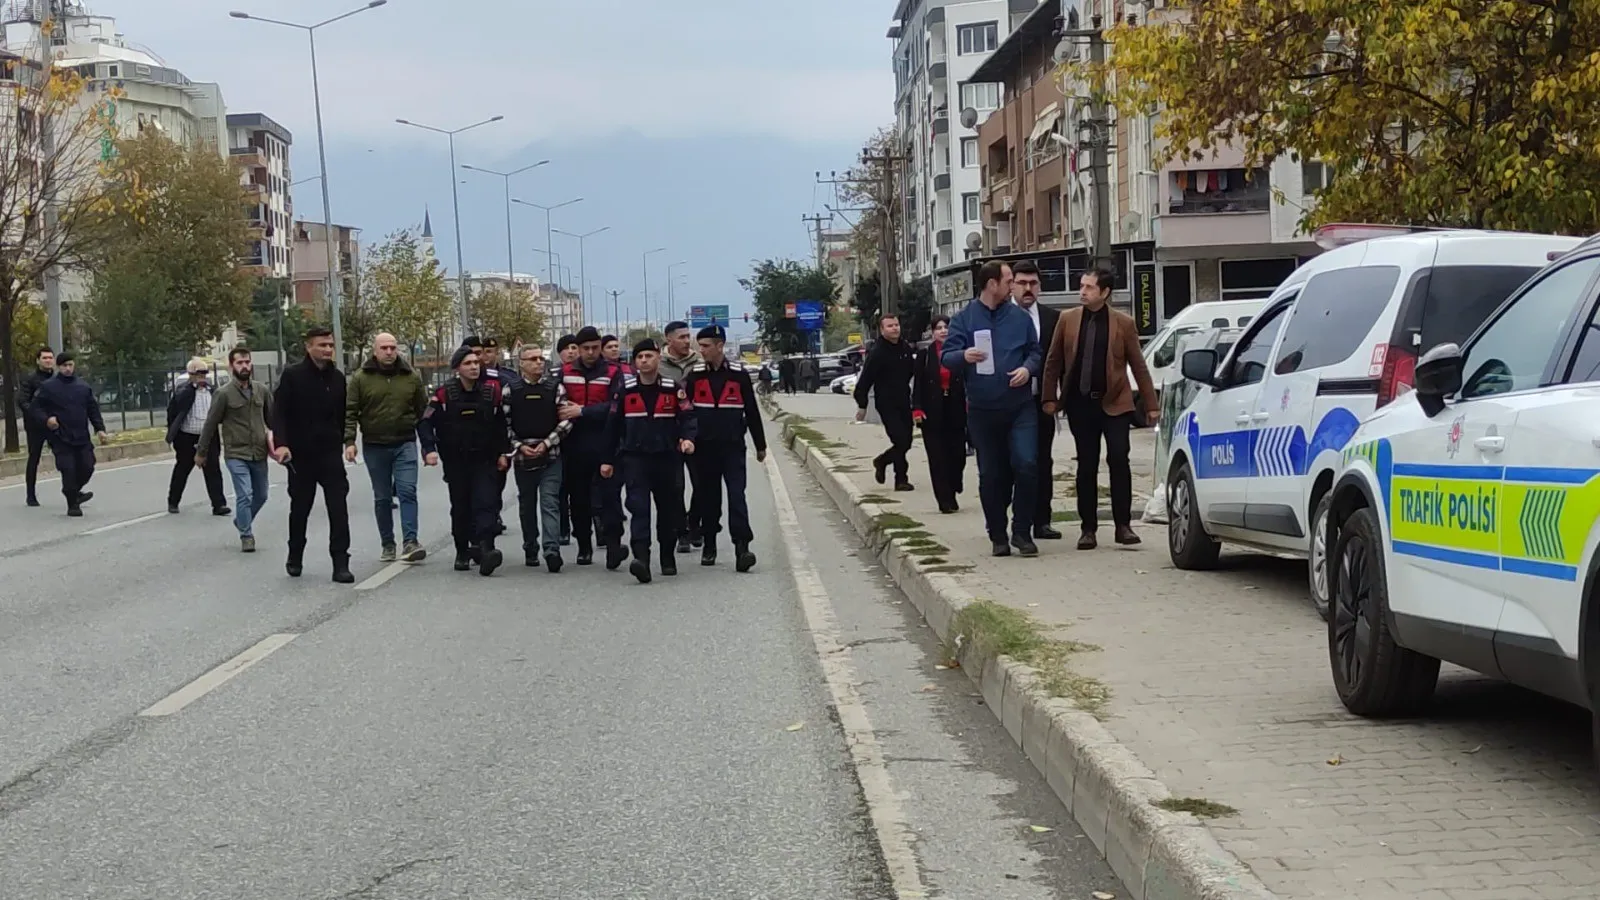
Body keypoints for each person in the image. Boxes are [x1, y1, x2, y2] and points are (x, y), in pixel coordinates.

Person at [1043, 265, 1160, 550]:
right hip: (1081, 404)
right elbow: (1053, 360)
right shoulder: (1068, 319)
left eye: (1089, 287)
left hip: (1116, 403)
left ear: (1105, 292)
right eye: (1081, 286)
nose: (1082, 291)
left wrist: (1152, 405)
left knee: (1119, 458)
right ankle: (1088, 529)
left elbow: (1139, 365)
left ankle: (1123, 525)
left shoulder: (1124, 323)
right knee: (1087, 465)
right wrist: (1049, 397)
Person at [941, 260, 1042, 558]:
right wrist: (964, 355)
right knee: (991, 473)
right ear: (991, 284)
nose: (1015, 286)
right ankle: (997, 533)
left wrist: (1027, 369)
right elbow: (946, 357)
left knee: (1027, 464)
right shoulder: (964, 319)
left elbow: (1035, 352)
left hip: (1019, 407)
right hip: (983, 410)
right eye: (1009, 281)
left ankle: (1022, 531)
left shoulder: (1020, 318)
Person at [601, 339, 697, 584]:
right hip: (636, 459)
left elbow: (687, 416)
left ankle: (667, 557)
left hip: (667, 459)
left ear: (658, 358)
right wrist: (607, 460)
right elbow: (612, 427)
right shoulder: (625, 390)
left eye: (649, 356)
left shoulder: (672, 388)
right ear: (635, 361)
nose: (644, 360)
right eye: (640, 356)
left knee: (668, 510)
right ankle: (641, 559)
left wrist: (687, 439)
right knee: (638, 509)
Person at [419, 345, 510, 575]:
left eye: (476, 363)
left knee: (486, 503)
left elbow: (501, 426)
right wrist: (429, 449)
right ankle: (462, 551)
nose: (473, 367)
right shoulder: (444, 394)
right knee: (461, 507)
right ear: (457, 368)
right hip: (456, 460)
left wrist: (503, 453)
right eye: (468, 363)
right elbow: (425, 422)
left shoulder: (492, 392)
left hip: (485, 459)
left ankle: (487, 549)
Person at [272, 326, 353, 583]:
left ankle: (341, 562)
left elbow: (343, 415)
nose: (328, 349)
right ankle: (295, 555)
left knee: (338, 508)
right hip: (301, 455)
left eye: (330, 345)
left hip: (329, 453)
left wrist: (345, 441)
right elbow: (279, 414)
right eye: (322, 345)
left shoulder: (338, 378)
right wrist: (282, 444)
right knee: (300, 508)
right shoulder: (292, 376)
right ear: (309, 347)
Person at [681, 324, 765, 571]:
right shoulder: (695, 375)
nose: (701, 350)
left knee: (737, 495)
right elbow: (686, 412)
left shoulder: (738, 374)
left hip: (732, 446)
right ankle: (709, 543)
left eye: (706, 346)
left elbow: (751, 410)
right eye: (700, 346)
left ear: (720, 346)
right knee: (709, 498)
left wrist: (760, 445)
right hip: (704, 449)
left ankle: (742, 547)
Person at [344, 332, 428, 563]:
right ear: (375, 351)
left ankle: (410, 541)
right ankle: (387, 543)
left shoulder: (411, 376)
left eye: (393, 348)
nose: (389, 352)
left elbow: (423, 412)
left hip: (405, 442)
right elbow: (350, 412)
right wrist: (349, 442)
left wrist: (428, 446)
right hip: (375, 445)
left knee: (407, 491)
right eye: (384, 348)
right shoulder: (361, 378)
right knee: (382, 497)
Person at [505, 342, 579, 571]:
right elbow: (503, 425)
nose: (539, 362)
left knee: (550, 502)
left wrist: (548, 443)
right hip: (523, 457)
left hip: (551, 454)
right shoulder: (511, 390)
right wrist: (518, 446)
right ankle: (530, 547)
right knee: (527, 505)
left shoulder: (554, 387)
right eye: (533, 359)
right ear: (522, 363)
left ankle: (551, 550)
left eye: (541, 358)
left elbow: (567, 419)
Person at [561, 325, 627, 568]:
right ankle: (584, 547)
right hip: (574, 444)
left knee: (609, 498)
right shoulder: (564, 372)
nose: (590, 352)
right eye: (585, 348)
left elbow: (616, 406)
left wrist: (583, 411)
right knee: (578, 498)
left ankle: (613, 546)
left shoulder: (613, 372)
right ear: (577, 349)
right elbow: (557, 402)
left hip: (606, 443)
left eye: (595, 348)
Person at [196, 347, 274, 552]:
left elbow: (272, 420)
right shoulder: (223, 394)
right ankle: (246, 535)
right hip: (236, 453)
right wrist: (201, 452)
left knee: (262, 495)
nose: (245, 366)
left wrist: (283, 444)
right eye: (240, 363)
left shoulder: (261, 390)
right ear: (232, 366)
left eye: (247, 362)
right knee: (245, 494)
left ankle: (241, 520)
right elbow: (210, 424)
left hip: (259, 451)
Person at [1011, 260, 1063, 540]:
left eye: (1033, 283)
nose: (1028, 289)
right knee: (1017, 462)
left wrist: (1058, 398)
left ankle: (1041, 520)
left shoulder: (1053, 318)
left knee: (1042, 460)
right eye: (1022, 283)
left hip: (1041, 402)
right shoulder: (1002, 316)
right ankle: (1014, 516)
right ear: (1012, 285)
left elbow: (1062, 360)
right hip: (1009, 402)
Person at [28, 351, 106, 517]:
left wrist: (100, 429)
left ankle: (72, 490)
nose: (68, 369)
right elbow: (36, 408)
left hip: (81, 436)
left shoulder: (83, 387)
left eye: (70, 365)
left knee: (87, 466)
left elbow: (93, 410)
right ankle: (73, 505)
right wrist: (47, 419)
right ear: (58, 367)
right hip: (61, 437)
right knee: (68, 469)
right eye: (64, 366)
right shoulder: (49, 387)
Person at [853, 313, 917, 491]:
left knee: (906, 441)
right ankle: (897, 474)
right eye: (890, 326)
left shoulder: (905, 348)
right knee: (900, 440)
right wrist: (862, 405)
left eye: (896, 325)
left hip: (904, 399)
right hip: (886, 402)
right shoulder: (878, 353)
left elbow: (912, 371)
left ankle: (886, 465)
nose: (895, 328)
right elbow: (865, 381)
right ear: (882, 330)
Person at [657, 320, 704, 553]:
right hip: (669, 434)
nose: (687, 341)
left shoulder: (700, 364)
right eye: (682, 337)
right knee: (675, 486)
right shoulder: (658, 366)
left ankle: (694, 521)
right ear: (669, 340)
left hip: (698, 433)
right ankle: (681, 531)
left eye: (688, 336)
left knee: (702, 484)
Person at [913, 314, 968, 514]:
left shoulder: (961, 352)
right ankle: (944, 500)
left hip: (956, 409)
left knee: (957, 455)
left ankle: (954, 485)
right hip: (932, 411)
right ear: (933, 332)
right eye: (939, 328)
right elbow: (917, 384)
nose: (943, 331)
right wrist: (917, 409)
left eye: (947, 327)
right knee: (937, 458)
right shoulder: (925, 355)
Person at [165, 358, 230, 517]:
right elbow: (172, 413)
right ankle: (173, 501)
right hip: (187, 437)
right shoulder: (183, 391)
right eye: (199, 373)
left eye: (205, 373)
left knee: (213, 470)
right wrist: (174, 436)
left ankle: (219, 504)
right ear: (191, 374)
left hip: (208, 437)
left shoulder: (213, 391)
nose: (202, 376)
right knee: (182, 470)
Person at [18, 346, 54, 508]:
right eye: (44, 358)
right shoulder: (30, 379)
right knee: (34, 458)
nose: (48, 361)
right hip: (35, 426)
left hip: (55, 424)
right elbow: (23, 401)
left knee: (65, 454)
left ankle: (73, 490)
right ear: (38, 360)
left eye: (50, 358)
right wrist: (37, 415)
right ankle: (30, 495)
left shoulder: (57, 379)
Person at [554, 333, 580, 547]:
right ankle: (562, 528)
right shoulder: (554, 375)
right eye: (567, 348)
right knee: (560, 488)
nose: (571, 351)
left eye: (574, 347)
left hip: (583, 432)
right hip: (560, 436)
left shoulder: (585, 373)